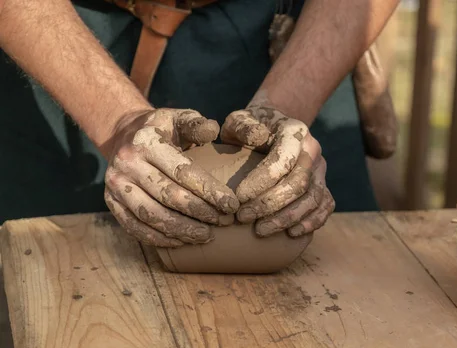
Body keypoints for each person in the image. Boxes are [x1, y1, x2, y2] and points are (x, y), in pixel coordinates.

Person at [0, 0, 399, 247]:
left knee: (340, 287)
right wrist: (120, 120)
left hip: (282, 33)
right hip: (64, 34)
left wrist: (283, 108)